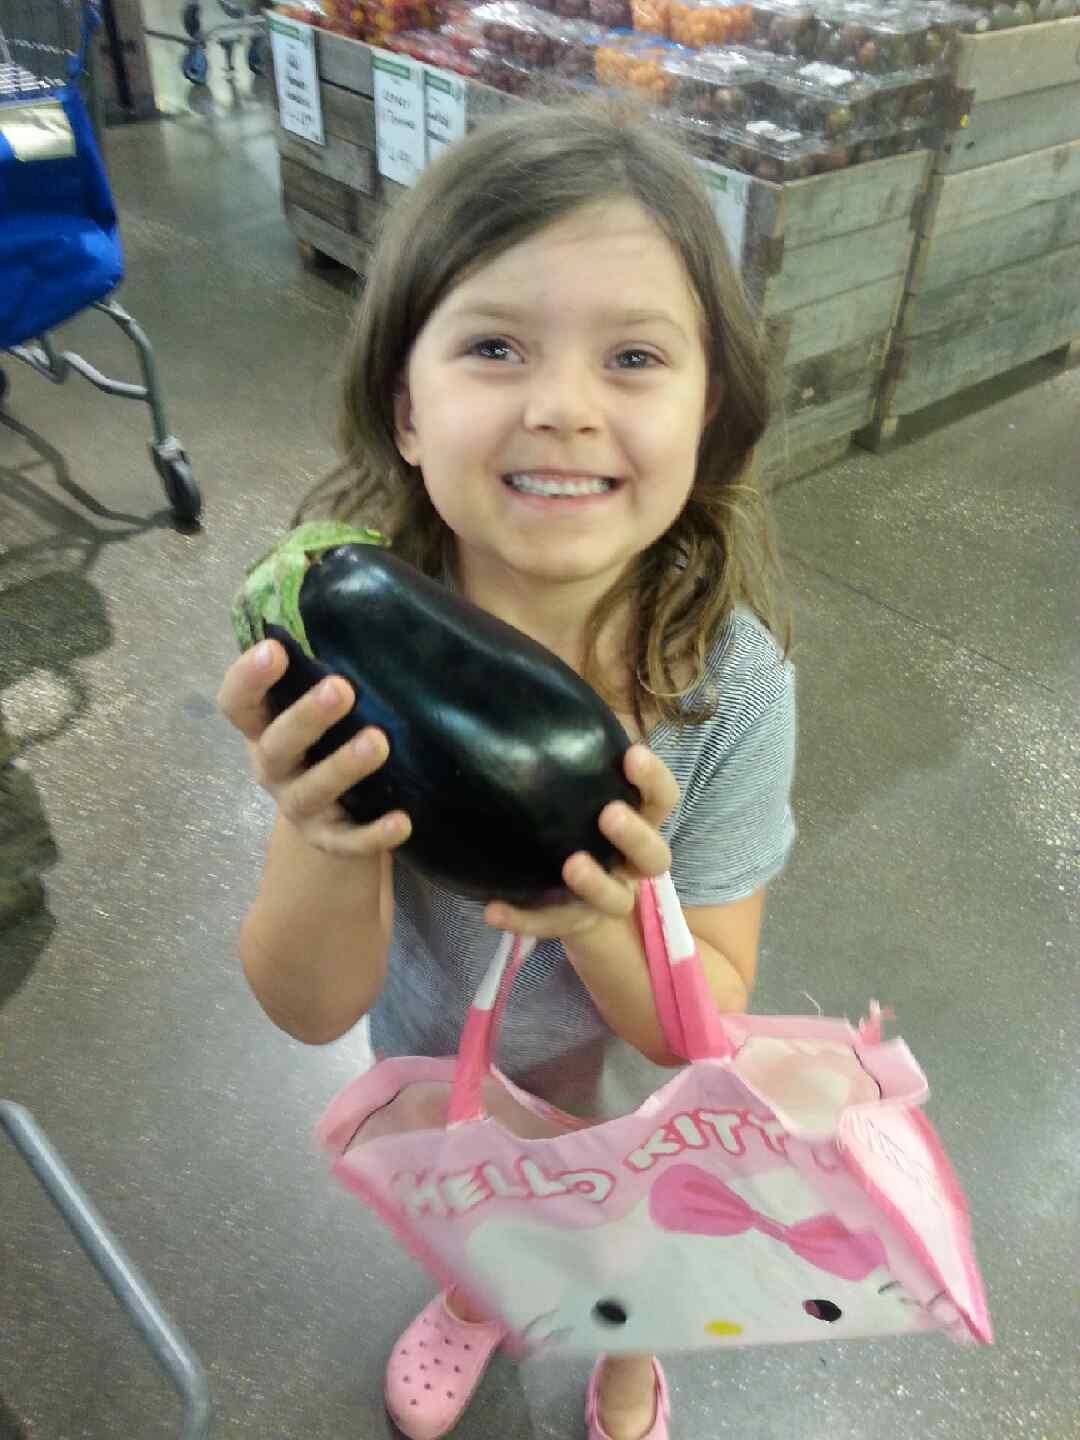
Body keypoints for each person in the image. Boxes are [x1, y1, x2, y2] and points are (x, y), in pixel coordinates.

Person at [218, 101, 796, 1440]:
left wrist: (601, 914)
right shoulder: (340, 653)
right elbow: (306, 1008)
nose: (560, 405)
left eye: (636, 355)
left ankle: (632, 1361)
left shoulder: (732, 687)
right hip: (440, 1062)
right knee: (469, 1218)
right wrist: (320, 822)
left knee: (627, 1257)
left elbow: (692, 1027)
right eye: (494, 346)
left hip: (627, 1100)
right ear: (407, 410)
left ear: (712, 416)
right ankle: (477, 1296)